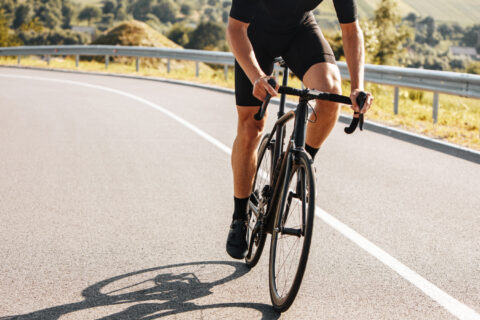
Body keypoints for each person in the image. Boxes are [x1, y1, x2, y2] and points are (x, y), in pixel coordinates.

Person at [225, 0, 374, 259]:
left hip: (298, 31)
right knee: (251, 127)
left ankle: (295, 163)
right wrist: (256, 77)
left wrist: (357, 87)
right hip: (253, 35)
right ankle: (239, 216)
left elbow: (351, 30)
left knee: (329, 95)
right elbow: (235, 28)